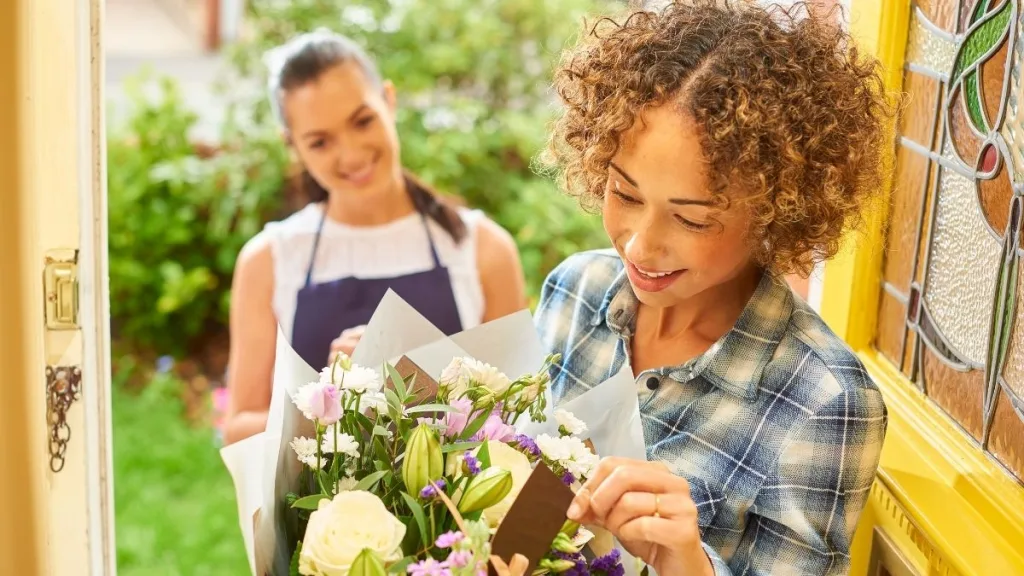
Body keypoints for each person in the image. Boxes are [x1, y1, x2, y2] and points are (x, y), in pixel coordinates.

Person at [534, 2, 891, 575]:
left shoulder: (826, 403)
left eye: (693, 219)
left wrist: (688, 564)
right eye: (625, 195)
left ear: (780, 211)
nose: (641, 247)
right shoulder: (576, 287)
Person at [223, 30, 527, 445]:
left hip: (453, 509)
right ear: (292, 145)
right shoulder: (270, 261)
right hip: (317, 511)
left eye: (362, 121)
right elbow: (239, 428)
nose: (350, 154)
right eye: (320, 141)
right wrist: (330, 401)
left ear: (389, 99)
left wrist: (412, 380)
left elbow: (520, 419)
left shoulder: (482, 251)